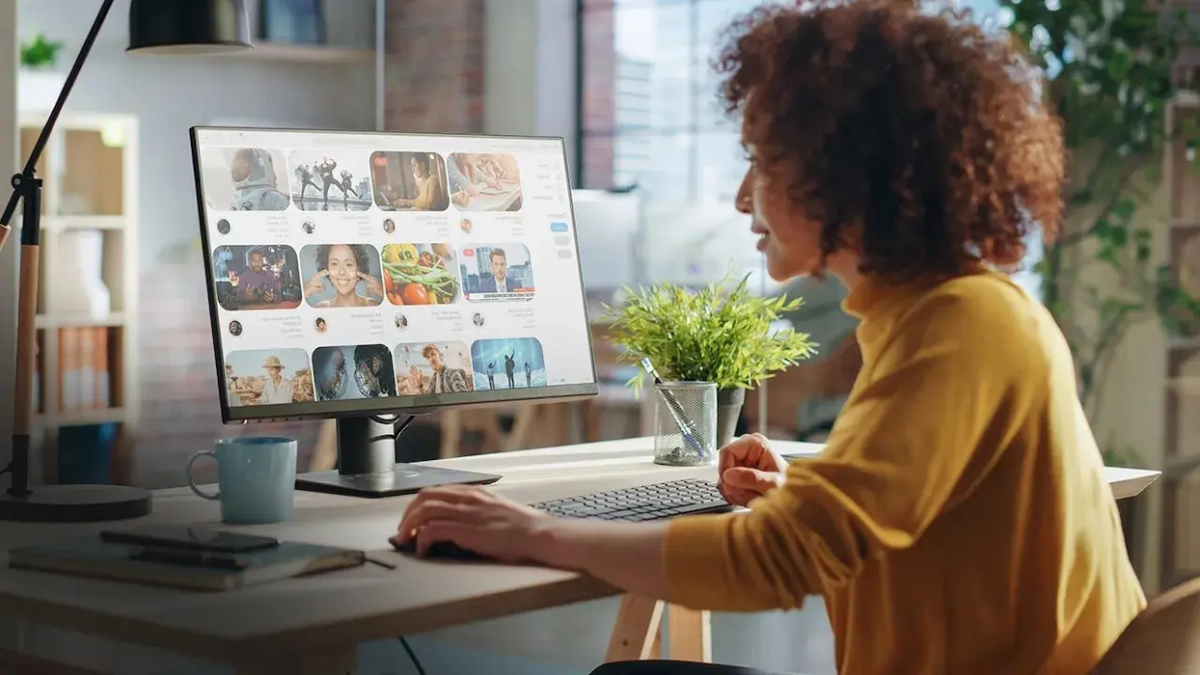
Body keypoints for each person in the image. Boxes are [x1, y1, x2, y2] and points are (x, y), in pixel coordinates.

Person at [392, 2, 1147, 674]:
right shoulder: (931, 315)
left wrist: (537, 531)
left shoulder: (965, 325)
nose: (740, 195)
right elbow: (922, 518)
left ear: (850, 176)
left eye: (762, 160)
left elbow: (778, 563)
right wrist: (805, 497)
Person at [305, 244, 385, 308]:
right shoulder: (320, 308)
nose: (342, 272)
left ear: (359, 270)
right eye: (334, 264)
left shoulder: (373, 306)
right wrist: (303, 296)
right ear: (327, 269)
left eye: (349, 264)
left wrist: (385, 297)